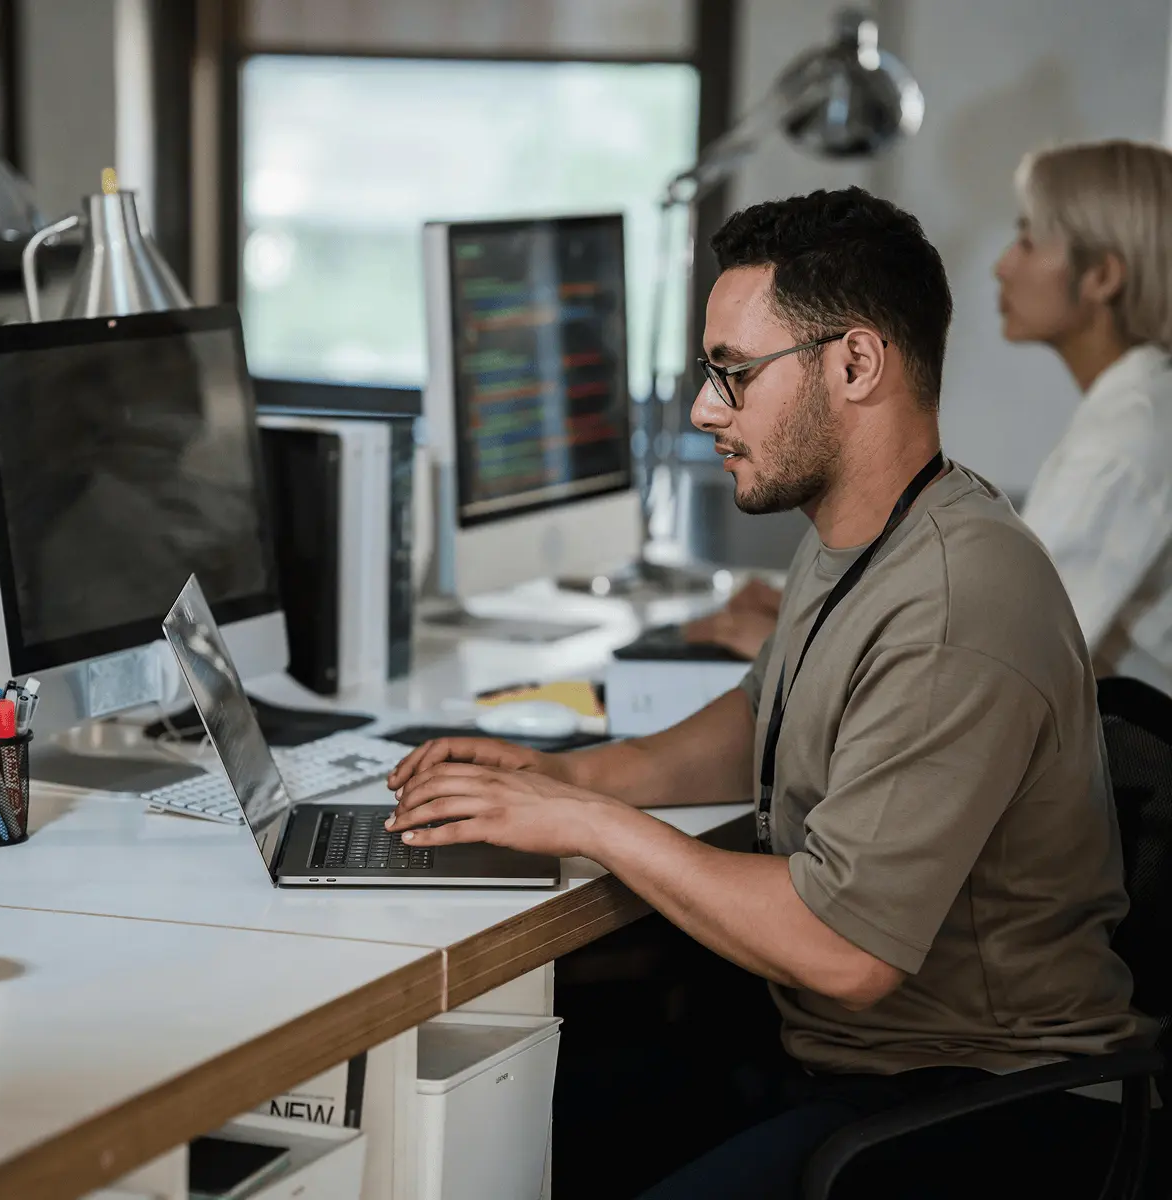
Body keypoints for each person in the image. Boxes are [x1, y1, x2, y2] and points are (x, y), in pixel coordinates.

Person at [386, 188, 1147, 1197]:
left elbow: (843, 948)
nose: (705, 407)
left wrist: (584, 821)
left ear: (855, 363)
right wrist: (568, 774)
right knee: (499, 1134)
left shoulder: (960, 601)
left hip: (987, 1111)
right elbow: (763, 713)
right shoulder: (871, 530)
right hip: (850, 1061)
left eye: (732, 374)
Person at [995, 139, 1172, 696]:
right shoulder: (1139, 404)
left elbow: (1002, 654)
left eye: (1027, 240)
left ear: (1101, 277)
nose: (1003, 266)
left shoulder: (1127, 439)